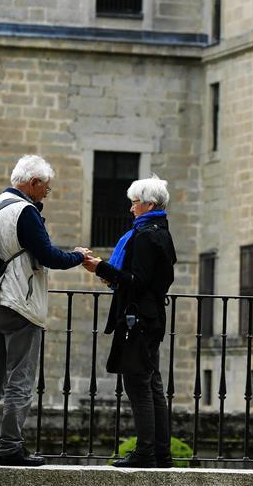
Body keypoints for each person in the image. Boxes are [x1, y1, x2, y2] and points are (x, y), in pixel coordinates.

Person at [0, 154, 92, 467]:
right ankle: (10, 448)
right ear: (33, 183)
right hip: (19, 304)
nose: (45, 195)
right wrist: (78, 256)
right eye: (46, 189)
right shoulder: (24, 211)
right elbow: (49, 255)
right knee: (20, 380)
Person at [83, 174, 177, 468]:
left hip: (140, 320)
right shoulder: (161, 231)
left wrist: (103, 268)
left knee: (138, 384)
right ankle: (161, 452)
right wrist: (106, 270)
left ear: (148, 204)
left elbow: (136, 281)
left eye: (135, 203)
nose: (131, 208)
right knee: (153, 384)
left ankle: (146, 452)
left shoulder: (146, 235)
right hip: (152, 318)